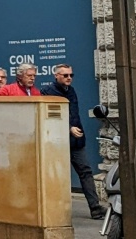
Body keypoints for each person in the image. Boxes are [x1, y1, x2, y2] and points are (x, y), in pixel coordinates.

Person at [41, 64, 105, 220]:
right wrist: (69, 128)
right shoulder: (48, 92)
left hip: (76, 141)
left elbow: (73, 114)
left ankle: (95, 208)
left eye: (71, 75)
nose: (69, 78)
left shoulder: (72, 91)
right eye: (65, 75)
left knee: (86, 171)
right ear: (56, 75)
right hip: (57, 141)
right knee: (56, 176)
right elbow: (52, 116)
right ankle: (54, 211)